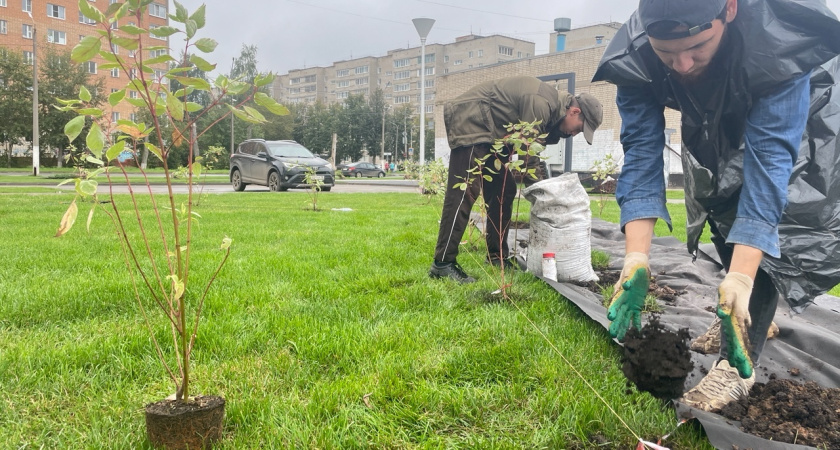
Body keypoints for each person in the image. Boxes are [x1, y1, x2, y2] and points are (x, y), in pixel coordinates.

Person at [593, 0, 840, 411]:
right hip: (715, 118)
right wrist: (636, 257)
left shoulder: (780, 46)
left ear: (729, 8)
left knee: (768, 211)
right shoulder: (636, 57)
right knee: (719, 202)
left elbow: (769, 165)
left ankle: (737, 362)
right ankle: (746, 314)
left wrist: (743, 277)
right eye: (666, 53)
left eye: (697, 47)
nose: (683, 65)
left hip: (809, 120)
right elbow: (641, 152)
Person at [429, 76, 603, 283]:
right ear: (574, 112)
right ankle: (443, 264)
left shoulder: (552, 111)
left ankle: (497, 256)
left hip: (492, 133)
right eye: (579, 128)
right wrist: (547, 198)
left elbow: (532, 154)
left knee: (504, 190)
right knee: (464, 190)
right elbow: (528, 155)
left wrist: (545, 189)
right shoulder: (541, 102)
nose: (574, 134)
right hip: (472, 121)